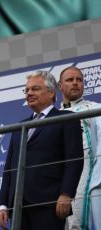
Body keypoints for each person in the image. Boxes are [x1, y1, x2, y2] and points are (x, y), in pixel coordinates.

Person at [0, 70, 83, 230]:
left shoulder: (66, 119)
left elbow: (74, 160)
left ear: (51, 93)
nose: (29, 93)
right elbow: (9, 168)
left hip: (49, 202)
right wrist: (2, 204)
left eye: (35, 89)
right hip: (18, 206)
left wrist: (66, 194)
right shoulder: (19, 127)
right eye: (27, 90)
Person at [59, 66, 101, 230]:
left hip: (90, 173)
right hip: (60, 178)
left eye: (79, 80)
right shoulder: (54, 115)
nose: (75, 83)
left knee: (77, 224)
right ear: (60, 86)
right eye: (70, 80)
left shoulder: (95, 108)